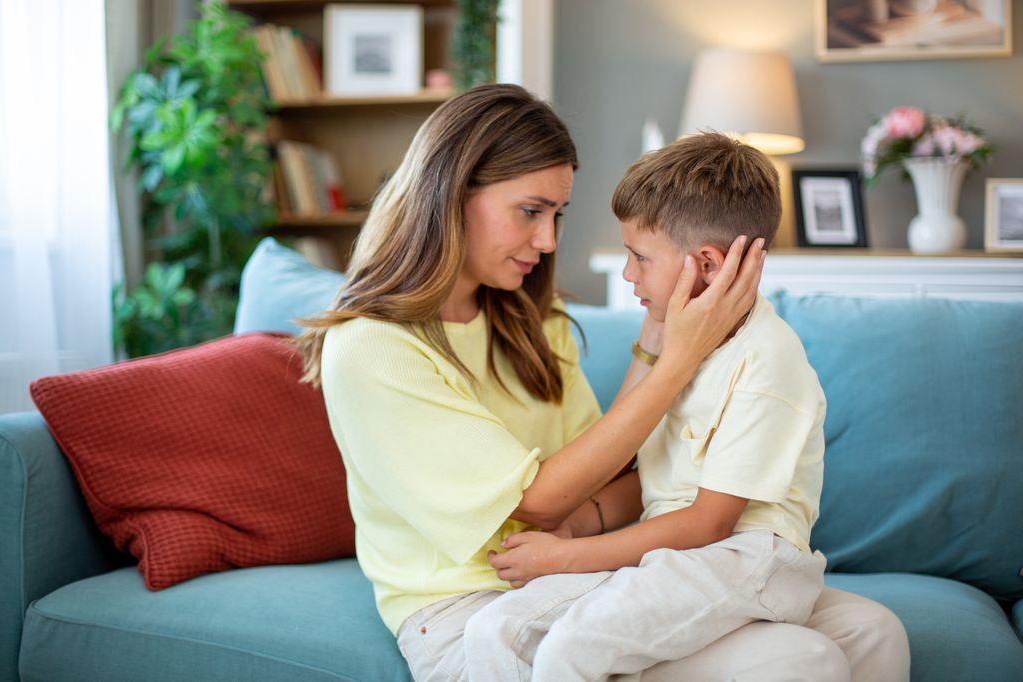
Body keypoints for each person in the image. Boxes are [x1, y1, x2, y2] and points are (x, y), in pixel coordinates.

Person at [296, 84, 907, 681]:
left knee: (874, 632)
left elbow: (607, 469)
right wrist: (677, 360)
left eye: (556, 214)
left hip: (576, 575)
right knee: (804, 662)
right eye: (530, 211)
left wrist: (658, 331)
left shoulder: (533, 325)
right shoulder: (371, 348)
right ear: (452, 196)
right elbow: (536, 501)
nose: (548, 240)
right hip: (468, 607)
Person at [462, 131, 909, 681]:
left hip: (743, 558)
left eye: (639, 257)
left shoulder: (766, 359)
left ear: (707, 264)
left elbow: (707, 522)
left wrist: (565, 559)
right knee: (494, 628)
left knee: (573, 646)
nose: (628, 274)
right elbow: (661, 477)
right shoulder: (688, 347)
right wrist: (578, 526)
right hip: (680, 559)